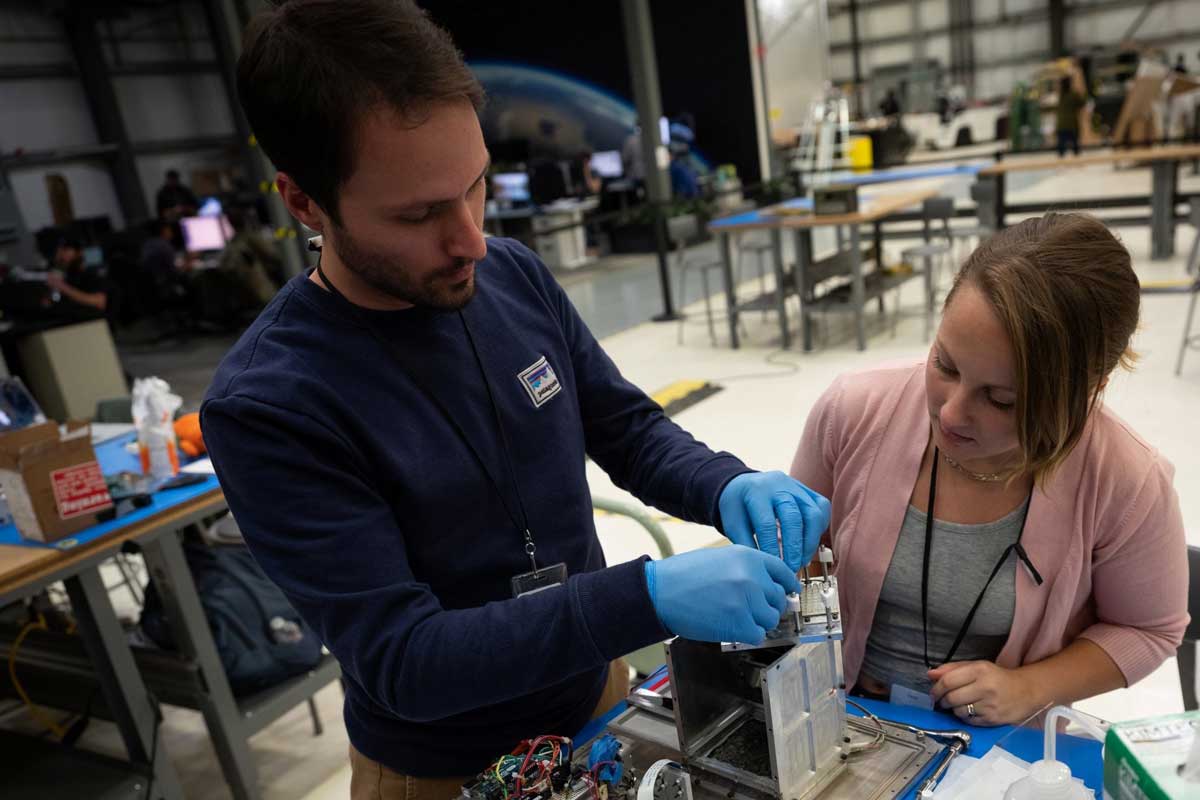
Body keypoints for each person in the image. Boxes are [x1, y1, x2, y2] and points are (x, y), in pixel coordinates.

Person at [201, 3, 831, 799]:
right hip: (446, 771)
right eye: (420, 214)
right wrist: (646, 597)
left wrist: (724, 484)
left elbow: (627, 428)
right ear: (303, 203)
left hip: (593, 705)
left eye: (476, 187)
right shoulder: (271, 405)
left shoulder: (512, 276)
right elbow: (405, 659)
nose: (469, 239)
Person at [789, 214, 1188, 727]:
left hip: (995, 743)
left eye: (1000, 400)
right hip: (843, 711)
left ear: (1084, 391)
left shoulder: (1125, 481)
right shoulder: (855, 411)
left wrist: (1029, 686)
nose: (951, 414)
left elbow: (1149, 630)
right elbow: (797, 552)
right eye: (945, 365)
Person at [216, 208, 282, 307]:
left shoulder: (233, 245)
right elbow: (277, 257)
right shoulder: (250, 239)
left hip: (246, 299)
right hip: (267, 297)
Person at [46, 235, 107, 314]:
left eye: (64, 250)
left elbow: (100, 301)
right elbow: (53, 299)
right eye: (59, 256)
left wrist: (62, 286)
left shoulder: (93, 259)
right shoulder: (64, 269)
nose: (63, 257)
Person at [1055, 77, 1086, 157]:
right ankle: (1077, 162)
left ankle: (1061, 163)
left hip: (1061, 125)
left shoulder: (1061, 95)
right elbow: (1082, 103)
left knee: (1061, 148)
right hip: (1072, 124)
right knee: (1075, 147)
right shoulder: (1074, 95)